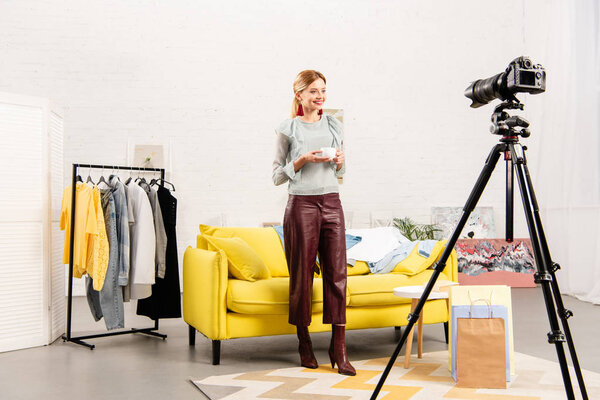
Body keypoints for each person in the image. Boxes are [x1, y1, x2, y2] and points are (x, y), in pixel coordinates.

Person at [272, 69, 355, 376]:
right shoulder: (287, 128)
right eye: (313, 92)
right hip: (301, 205)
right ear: (299, 95)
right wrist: (303, 159)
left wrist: (340, 161)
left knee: (337, 275)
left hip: (332, 202)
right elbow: (276, 176)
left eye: (323, 91)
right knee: (302, 276)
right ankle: (304, 342)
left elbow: (340, 172)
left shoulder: (334, 124)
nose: (320, 97)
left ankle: (339, 348)